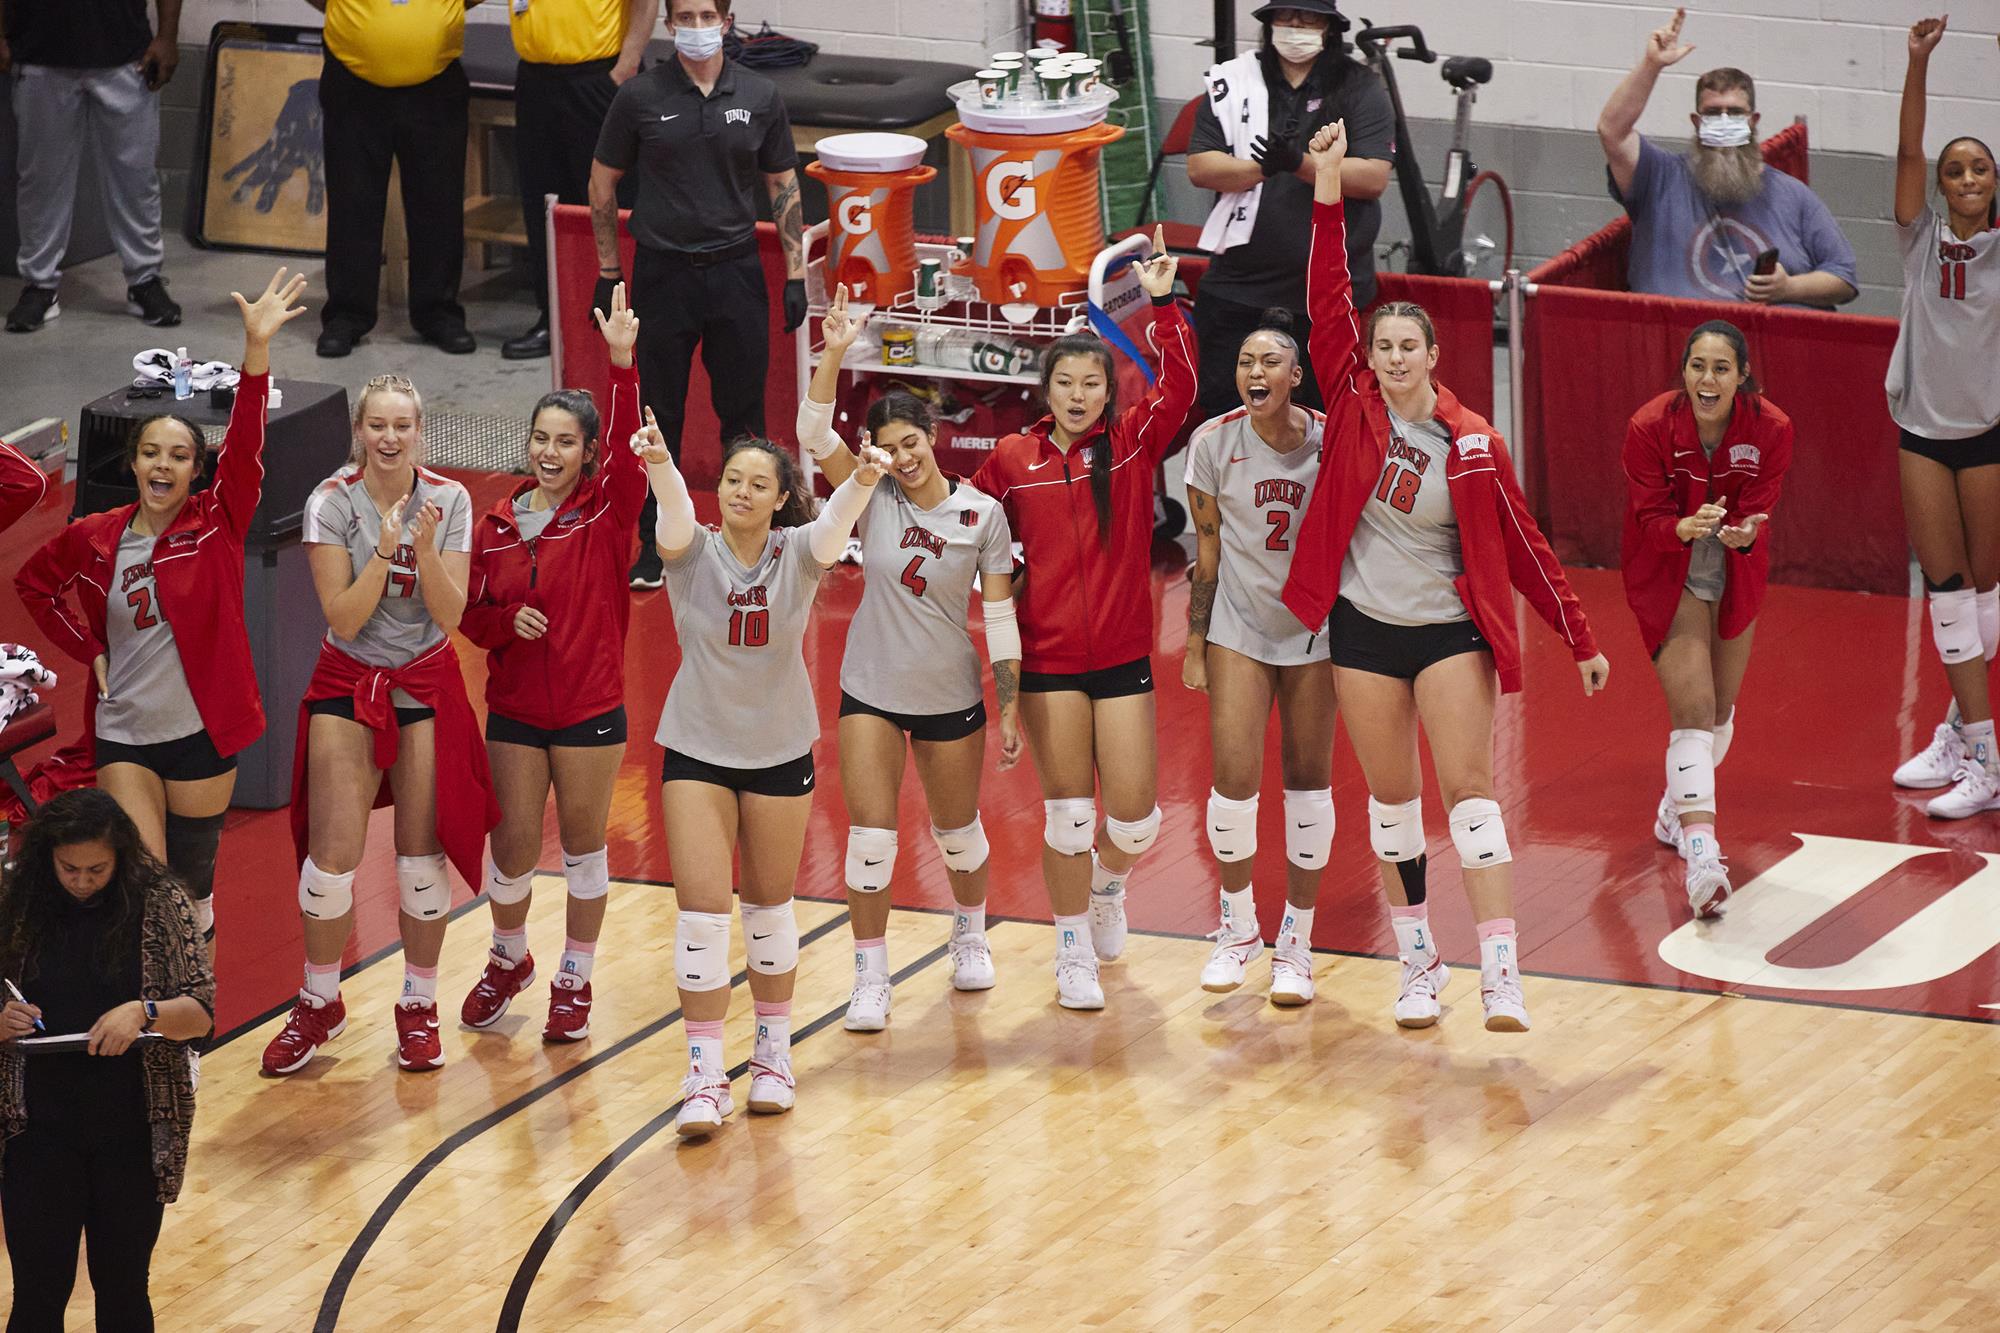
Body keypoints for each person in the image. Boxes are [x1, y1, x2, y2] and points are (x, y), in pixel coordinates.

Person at [1282, 121, 1610, 1034]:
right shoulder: (1349, 405)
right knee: (1392, 808)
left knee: (1469, 797)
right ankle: (1417, 960)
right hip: (1362, 628)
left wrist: (1578, 636)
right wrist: (1325, 184)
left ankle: (1501, 970)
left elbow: (1526, 545)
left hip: (1446, 630)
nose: (1389, 358)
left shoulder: (1472, 444)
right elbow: (1324, 301)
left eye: (1405, 347)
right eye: (1380, 345)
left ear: (1434, 356)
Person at [15, 269, 308, 968]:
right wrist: (88, 647)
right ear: (134, 461)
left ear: (195, 470)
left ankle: (189, 1019)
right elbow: (34, 584)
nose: (164, 465)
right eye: (152, 453)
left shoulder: (218, 523)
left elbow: (245, 449)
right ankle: (156, 1030)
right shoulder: (94, 535)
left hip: (201, 734)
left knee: (191, 893)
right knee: (146, 892)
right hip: (124, 734)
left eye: (180, 456)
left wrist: (256, 352)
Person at [636, 418, 890, 1137]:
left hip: (779, 748)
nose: (741, 492)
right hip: (697, 747)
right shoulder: (690, 550)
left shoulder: (799, 552)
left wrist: (864, 479)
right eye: (733, 480)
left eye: (758, 484)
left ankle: (773, 1053)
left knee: (769, 910)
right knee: (702, 916)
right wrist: (660, 463)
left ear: (781, 498)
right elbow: (676, 515)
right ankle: (704, 1071)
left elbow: (835, 527)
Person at [970, 229, 1195, 1011]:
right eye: (1063, 382)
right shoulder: (1008, 459)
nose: (1076, 394)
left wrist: (1165, 307)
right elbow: (966, 527)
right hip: (1051, 662)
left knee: (1132, 822)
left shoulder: (1132, 444)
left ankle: (1108, 888)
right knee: (1068, 814)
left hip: (1124, 657)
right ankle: (1071, 950)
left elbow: (1183, 388)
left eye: (1090, 384)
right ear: (1047, 389)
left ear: (1107, 391)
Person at [262, 373, 500, 1076]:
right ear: (359, 432)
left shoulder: (451, 499)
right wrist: (386, 547)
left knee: (420, 862)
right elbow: (343, 617)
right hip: (349, 674)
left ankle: (418, 1005)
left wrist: (422, 552)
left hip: (424, 675)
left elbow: (452, 617)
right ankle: (318, 1000)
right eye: (377, 426)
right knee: (329, 865)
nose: (390, 438)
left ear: (420, 432)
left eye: (402, 426)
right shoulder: (330, 503)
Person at [797, 288, 1022, 1027]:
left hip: (949, 692)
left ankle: (968, 932)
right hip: (870, 686)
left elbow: (998, 611)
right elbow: (809, 426)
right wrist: (833, 349)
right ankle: (871, 976)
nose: (901, 456)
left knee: (958, 835)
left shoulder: (981, 515)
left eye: (910, 441)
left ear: (931, 436)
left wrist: (1011, 704)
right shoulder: (871, 495)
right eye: (887, 446)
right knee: (869, 840)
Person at [457, 285, 643, 1041]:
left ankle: (576, 976)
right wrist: (507, 621)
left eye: (566, 441)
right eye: (541, 438)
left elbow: (633, 447)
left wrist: (622, 365)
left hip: (591, 710)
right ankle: (508, 958)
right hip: (515, 711)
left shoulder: (608, 509)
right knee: (511, 848)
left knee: (586, 846)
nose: (550, 452)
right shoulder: (496, 522)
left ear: (589, 451)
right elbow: (469, 614)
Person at [590, 0, 809, 589]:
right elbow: (602, 181)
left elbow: (783, 185)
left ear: (726, 21)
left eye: (704, 15)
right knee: (656, 414)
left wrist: (795, 276)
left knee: (744, 416)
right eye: (682, 17)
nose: (694, 27)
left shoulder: (761, 96)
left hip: (736, 273)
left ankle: (754, 542)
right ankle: (656, 544)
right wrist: (609, 270)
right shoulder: (639, 97)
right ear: (667, 25)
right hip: (663, 275)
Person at [0, 789, 215, 1333]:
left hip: (133, 1129)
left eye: (96, 868)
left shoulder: (162, 902)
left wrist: (145, 1013)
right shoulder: (17, 902)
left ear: (119, 855)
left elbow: (200, 1014)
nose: (81, 880)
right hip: (36, 1132)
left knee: (123, 1287)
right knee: (38, 1290)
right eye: (68, 868)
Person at [1182, 309, 1334, 1004]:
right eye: (1246, 361)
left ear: (1295, 377)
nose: (1254, 372)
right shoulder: (1213, 444)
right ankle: (1237, 926)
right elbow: (1205, 554)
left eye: (1269, 361)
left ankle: (1296, 940)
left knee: (1308, 784)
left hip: (1313, 633)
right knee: (1232, 782)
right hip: (1239, 628)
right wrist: (1194, 641)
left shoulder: (1333, 444)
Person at [1622, 320, 1792, 917]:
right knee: (1692, 715)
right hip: (1670, 571)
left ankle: (1676, 809)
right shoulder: (1648, 426)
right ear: (1685, 372)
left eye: (1722, 368)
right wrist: (1681, 528)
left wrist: (1744, 533)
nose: (1708, 379)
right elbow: (1646, 518)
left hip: (1736, 573)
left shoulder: (1772, 428)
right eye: (1697, 366)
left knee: (1720, 716)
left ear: (1742, 376)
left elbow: (1760, 507)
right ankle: (1703, 857)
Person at [1886, 16, 2000, 817]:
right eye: (1955, 168)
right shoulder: (1918, 238)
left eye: (1980, 168)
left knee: (1986, 606)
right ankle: (1987, 757)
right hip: (1923, 437)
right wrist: (1919, 64)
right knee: (1949, 596)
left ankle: (1963, 730)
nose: (1964, 177)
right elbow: (1906, 157)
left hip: (1988, 438)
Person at [1185, 0, 1393, 427]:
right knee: (1229, 420)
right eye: (1285, 17)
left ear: (1330, 28)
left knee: (1326, 423)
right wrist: (1264, 166)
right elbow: (1200, 167)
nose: (1295, 26)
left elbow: (1372, 177)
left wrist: (1298, 163)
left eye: (1308, 17)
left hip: (1327, 297)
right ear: (1269, 24)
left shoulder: (1358, 85)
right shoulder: (1235, 80)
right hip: (1238, 287)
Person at [1596, 7, 1858, 307]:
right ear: (1696, 122)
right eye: (1712, 113)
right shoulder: (1659, 177)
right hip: (1676, 343)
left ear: (1753, 120)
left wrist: (1789, 288)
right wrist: (1651, 65)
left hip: (1764, 347)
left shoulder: (1793, 196)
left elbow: (1844, 277)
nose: (1723, 120)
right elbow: (1611, 131)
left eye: (1734, 113)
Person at [1, 0, 184, 332]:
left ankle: (144, 280)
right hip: (39, 51)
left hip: (126, 54)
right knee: (41, 179)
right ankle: (40, 286)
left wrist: (167, 36)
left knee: (136, 178)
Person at [310, 0, 477, 357]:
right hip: (353, 82)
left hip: (437, 82)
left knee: (439, 203)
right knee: (352, 203)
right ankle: (346, 315)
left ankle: (438, 313)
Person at [499, 0, 658, 360]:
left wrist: (625, 68)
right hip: (536, 80)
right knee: (543, 203)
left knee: (614, 199)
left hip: (598, 77)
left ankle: (626, 320)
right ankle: (552, 319)